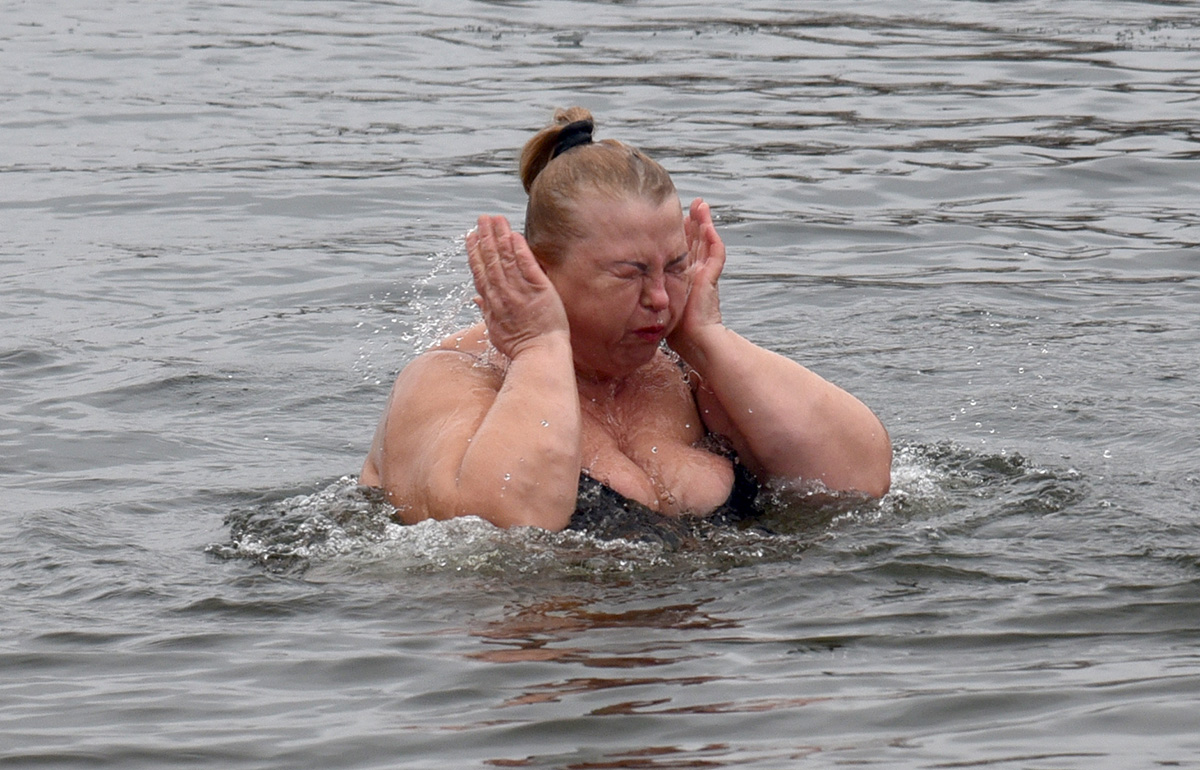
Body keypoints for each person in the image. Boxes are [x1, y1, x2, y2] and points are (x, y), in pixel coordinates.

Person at [360, 107, 891, 531]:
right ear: (538, 270)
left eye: (675, 266)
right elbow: (504, 529)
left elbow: (858, 483)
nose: (660, 298)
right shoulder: (453, 378)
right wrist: (540, 346)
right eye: (629, 274)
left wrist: (708, 339)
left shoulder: (692, 375)